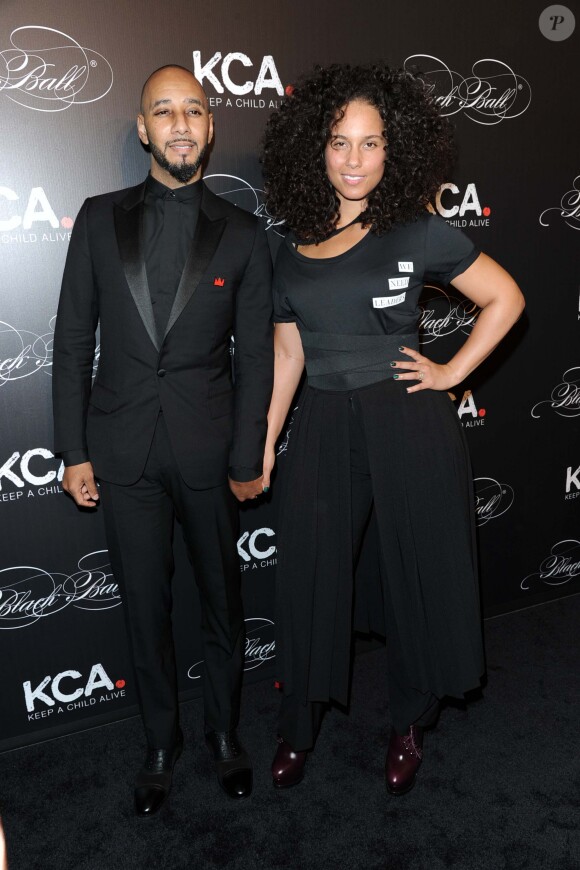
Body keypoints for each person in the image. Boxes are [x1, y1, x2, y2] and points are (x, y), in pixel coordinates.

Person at [260, 63, 524, 795]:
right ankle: (298, 725)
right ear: (315, 147)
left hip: (407, 419)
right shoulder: (288, 246)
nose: (353, 160)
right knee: (310, 577)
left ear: (393, 150)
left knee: (414, 576)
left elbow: (504, 298)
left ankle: (408, 721)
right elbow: (289, 355)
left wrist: (450, 373)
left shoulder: (417, 228)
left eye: (370, 144)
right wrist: (265, 441)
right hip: (322, 424)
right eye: (340, 142)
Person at [52, 65, 273, 815]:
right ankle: (159, 741)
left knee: (221, 602)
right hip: (122, 454)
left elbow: (258, 358)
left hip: (209, 451)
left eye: (194, 110)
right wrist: (73, 450)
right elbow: (73, 339)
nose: (180, 124)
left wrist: (248, 455)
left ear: (211, 126)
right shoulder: (95, 217)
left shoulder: (243, 233)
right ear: (143, 129)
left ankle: (223, 735)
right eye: (164, 112)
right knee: (144, 606)